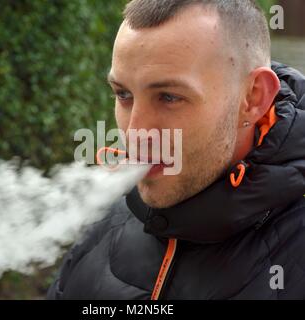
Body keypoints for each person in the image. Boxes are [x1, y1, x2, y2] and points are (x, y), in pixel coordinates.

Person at [48, 0, 305, 299]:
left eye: (168, 97)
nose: (135, 133)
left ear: (253, 98)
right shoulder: (101, 230)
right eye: (123, 94)